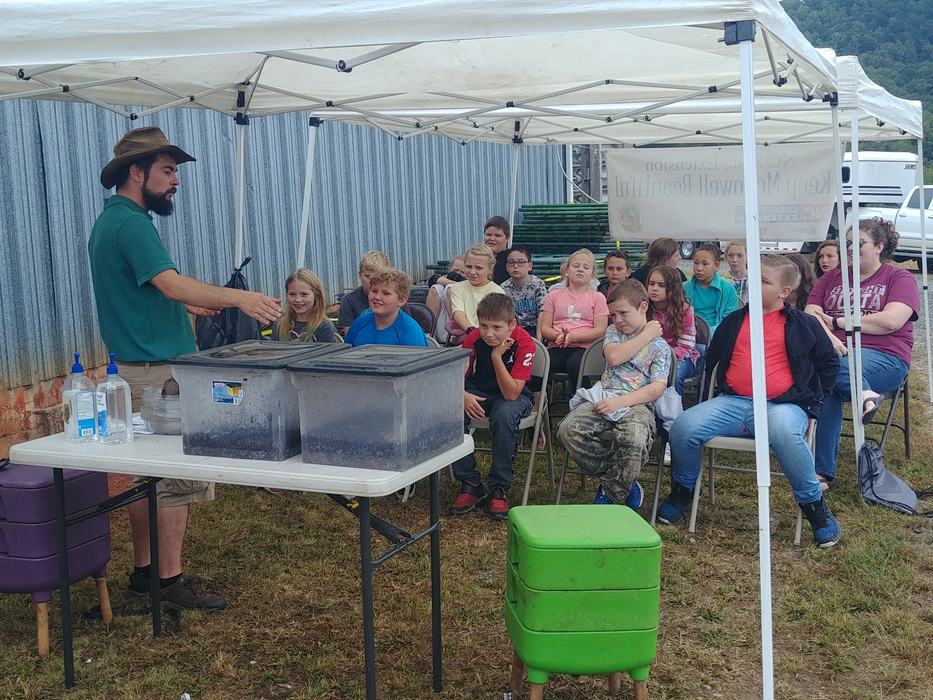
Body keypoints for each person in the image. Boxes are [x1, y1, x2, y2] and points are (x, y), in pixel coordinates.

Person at [88, 126, 282, 610]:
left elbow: (147, 290)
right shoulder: (133, 224)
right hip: (158, 375)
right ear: (138, 173)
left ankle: (144, 574)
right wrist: (240, 297)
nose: (176, 181)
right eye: (168, 170)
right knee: (175, 478)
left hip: (135, 367)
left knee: (145, 478)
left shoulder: (111, 220)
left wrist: (187, 308)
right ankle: (169, 582)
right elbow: (171, 283)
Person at [658, 255, 841, 548]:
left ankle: (814, 507)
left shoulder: (804, 324)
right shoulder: (734, 321)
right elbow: (712, 359)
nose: (754, 284)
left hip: (783, 405)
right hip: (733, 402)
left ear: (784, 291)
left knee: (785, 432)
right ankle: (684, 489)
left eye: (764, 281)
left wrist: (814, 405)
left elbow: (829, 363)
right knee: (683, 426)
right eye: (753, 278)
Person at [805, 218, 919, 488]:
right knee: (829, 377)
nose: (849, 248)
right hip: (835, 353)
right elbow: (810, 315)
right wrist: (831, 339)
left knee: (827, 370)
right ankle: (864, 395)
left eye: (858, 243)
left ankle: (821, 470)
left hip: (885, 356)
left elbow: (891, 321)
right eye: (847, 243)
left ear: (879, 246)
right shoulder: (832, 277)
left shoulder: (899, 278)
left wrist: (837, 322)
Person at [557, 279, 671, 510]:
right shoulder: (614, 332)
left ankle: (609, 492)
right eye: (613, 315)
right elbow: (614, 357)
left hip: (638, 404)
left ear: (643, 307)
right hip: (604, 396)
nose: (617, 320)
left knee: (635, 439)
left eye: (623, 313)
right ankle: (622, 478)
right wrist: (646, 335)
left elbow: (656, 389)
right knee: (568, 430)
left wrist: (621, 402)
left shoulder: (660, 348)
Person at [449, 294, 536, 519]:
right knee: (452, 411)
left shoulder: (524, 342)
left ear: (512, 325)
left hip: (514, 394)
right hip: (480, 389)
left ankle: (499, 486)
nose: (488, 333)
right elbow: (456, 376)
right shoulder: (475, 338)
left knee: (504, 415)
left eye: (497, 327)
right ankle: (469, 482)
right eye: (483, 326)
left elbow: (511, 393)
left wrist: (497, 357)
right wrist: (461, 395)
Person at [539, 248, 610, 394]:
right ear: (566, 271)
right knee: (539, 364)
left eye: (586, 267)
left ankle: (584, 400)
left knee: (575, 364)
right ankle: (537, 400)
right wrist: (560, 336)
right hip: (557, 345)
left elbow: (600, 329)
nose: (580, 270)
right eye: (576, 266)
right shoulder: (553, 295)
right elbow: (544, 327)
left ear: (593, 274)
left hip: (585, 348)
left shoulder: (597, 298)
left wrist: (574, 337)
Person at [646, 266, 699, 396]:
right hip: (649, 356)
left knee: (675, 374)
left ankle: (673, 407)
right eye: (651, 284)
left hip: (680, 357)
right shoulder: (644, 308)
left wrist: (661, 357)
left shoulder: (685, 310)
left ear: (672, 288)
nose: (654, 288)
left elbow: (686, 346)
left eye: (661, 285)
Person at [345, 268, 428, 347]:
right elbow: (345, 353)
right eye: (374, 291)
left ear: (402, 300)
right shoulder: (359, 324)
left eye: (386, 293)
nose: (377, 297)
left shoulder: (410, 332)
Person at [448, 244, 505, 339]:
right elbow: (458, 313)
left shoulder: (497, 292)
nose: (472, 272)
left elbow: (494, 322)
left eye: (478, 268)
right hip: (464, 334)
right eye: (468, 267)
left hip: (489, 337)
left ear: (490, 269)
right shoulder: (457, 287)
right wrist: (471, 331)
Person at [684, 242, 738, 339]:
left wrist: (709, 333)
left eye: (705, 264)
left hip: (719, 336)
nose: (699, 268)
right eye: (696, 263)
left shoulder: (728, 289)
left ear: (716, 266)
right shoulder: (683, 288)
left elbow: (730, 320)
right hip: (689, 335)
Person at [270, 268, 337, 342]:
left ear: (316, 295)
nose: (297, 300)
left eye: (304, 294)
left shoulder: (325, 326)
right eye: (292, 294)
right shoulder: (279, 325)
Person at [337, 250, 391, 334]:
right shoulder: (349, 301)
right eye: (367, 276)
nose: (371, 281)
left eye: (377, 277)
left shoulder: (395, 299)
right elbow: (351, 336)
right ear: (360, 275)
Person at [500, 245, 547, 338]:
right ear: (507, 267)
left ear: (529, 266)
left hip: (534, 328)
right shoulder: (504, 287)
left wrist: (539, 339)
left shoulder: (538, 284)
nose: (515, 266)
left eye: (521, 262)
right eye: (511, 263)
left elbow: (542, 312)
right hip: (513, 329)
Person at [484, 215, 512, 284]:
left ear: (507, 238)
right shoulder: (476, 258)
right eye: (488, 235)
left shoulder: (513, 260)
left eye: (497, 235)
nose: (492, 239)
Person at [722, 240, 749, 306]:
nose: (734, 260)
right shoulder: (722, 281)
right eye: (730, 256)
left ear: (747, 256)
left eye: (739, 256)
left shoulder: (756, 280)